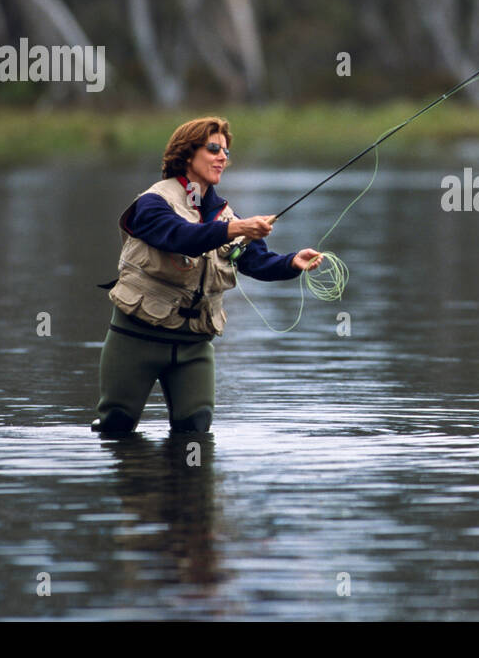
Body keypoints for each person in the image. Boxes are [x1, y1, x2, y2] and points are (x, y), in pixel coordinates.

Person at [91, 116, 323, 434]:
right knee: (116, 425)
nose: (222, 157)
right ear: (187, 154)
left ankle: (188, 484)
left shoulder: (225, 215)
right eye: (213, 148)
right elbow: (181, 236)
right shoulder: (152, 203)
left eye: (226, 152)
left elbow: (257, 262)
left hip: (193, 345)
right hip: (136, 337)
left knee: (195, 427)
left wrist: (292, 263)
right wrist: (237, 228)